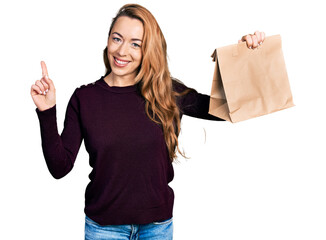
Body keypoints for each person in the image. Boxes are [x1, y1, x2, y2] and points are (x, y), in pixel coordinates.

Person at [30, 3, 265, 240]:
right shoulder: (85, 98)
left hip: (157, 228)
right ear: (108, 40)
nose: (122, 51)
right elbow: (60, 168)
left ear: (148, 50)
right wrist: (47, 112)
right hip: (104, 230)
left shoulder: (167, 93)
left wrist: (245, 56)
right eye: (117, 38)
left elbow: (227, 109)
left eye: (136, 44)